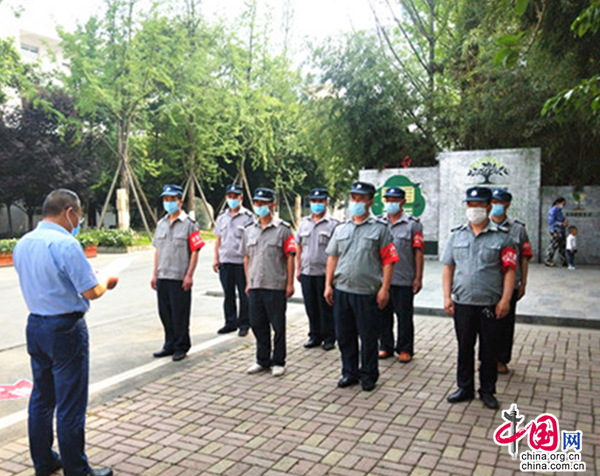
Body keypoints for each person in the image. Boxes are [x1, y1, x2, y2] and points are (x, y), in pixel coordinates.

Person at [13, 189, 117, 476]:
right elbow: (91, 291)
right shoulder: (66, 244)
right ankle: (77, 469)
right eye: (80, 215)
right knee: (70, 403)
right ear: (69, 212)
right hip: (65, 329)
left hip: (35, 325)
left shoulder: (23, 243)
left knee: (42, 399)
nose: (79, 221)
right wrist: (106, 280)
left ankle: (44, 461)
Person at [441, 186, 517, 410]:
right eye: (470, 205)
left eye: (479, 205)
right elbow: (448, 267)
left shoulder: (503, 238)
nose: (474, 209)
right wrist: (447, 296)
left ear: (489, 206)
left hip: (490, 304)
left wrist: (505, 299)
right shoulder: (457, 235)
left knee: (488, 349)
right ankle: (464, 387)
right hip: (463, 303)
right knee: (465, 346)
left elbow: (510, 270)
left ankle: (487, 390)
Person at [325, 181, 399, 392]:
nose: (356, 202)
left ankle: (368, 375)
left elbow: (388, 261)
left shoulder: (380, 229)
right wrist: (328, 285)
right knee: (344, 335)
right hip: (342, 291)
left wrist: (385, 289)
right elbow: (332, 258)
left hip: (367, 293)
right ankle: (349, 372)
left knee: (368, 336)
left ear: (370, 202)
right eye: (353, 198)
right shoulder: (341, 229)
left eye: (360, 198)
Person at [241, 188, 296, 377]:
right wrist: (248, 281)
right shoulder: (249, 230)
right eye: (257, 203)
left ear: (272, 205)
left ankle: (278, 361)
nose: (259, 207)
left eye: (263, 203)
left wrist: (289, 283)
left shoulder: (283, 229)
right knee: (258, 324)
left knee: (278, 326)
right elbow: (246, 257)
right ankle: (262, 360)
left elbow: (290, 256)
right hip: (255, 285)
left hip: (275, 285)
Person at [151, 184, 205, 362]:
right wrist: (154, 274)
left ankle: (181, 345)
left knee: (179, 314)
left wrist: (189, 275)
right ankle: (169, 344)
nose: (168, 203)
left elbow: (196, 250)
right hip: (163, 275)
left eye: (172, 200)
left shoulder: (189, 225)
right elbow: (157, 250)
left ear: (180, 201)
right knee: (164, 313)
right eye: (165, 200)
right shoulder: (161, 223)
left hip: (179, 277)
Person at [378, 187, 424, 363]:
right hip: (382, 280)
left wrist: (418, 277)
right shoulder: (379, 223)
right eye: (388, 199)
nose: (391, 203)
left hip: (404, 278)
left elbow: (418, 252)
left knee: (404, 316)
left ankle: (405, 348)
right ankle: (385, 346)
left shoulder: (413, 224)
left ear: (403, 202)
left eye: (394, 199)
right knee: (383, 314)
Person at [489, 188, 533, 375]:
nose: (494, 205)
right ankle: (486, 359)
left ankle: (501, 359)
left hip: (510, 285)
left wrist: (523, 283)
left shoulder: (518, 229)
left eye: (498, 201)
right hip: (488, 285)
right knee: (486, 325)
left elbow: (524, 257)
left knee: (505, 324)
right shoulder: (483, 225)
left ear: (507, 204)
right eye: (492, 201)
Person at [296, 188, 339, 351]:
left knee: (326, 307)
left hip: (325, 274)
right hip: (307, 272)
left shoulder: (334, 225)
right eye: (314, 201)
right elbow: (299, 246)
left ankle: (329, 337)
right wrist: (298, 268)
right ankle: (314, 335)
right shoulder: (303, 223)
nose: (317, 204)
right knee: (311, 306)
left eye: (320, 201)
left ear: (326, 202)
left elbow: (337, 252)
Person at [213, 184, 255, 336]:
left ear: (241, 198)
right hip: (226, 261)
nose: (232, 199)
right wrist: (216, 258)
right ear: (226, 198)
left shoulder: (248, 217)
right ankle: (230, 322)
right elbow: (218, 239)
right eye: (229, 196)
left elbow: (252, 240)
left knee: (244, 294)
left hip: (241, 262)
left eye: (235, 196)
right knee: (228, 294)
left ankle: (244, 323)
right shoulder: (222, 217)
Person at [544, 197, 568, 267]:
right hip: (555, 230)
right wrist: (561, 223)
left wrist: (565, 222)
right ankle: (547, 260)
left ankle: (563, 261)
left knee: (562, 246)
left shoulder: (559, 211)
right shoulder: (553, 210)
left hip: (561, 230)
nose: (563, 205)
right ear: (558, 203)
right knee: (553, 245)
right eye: (562, 203)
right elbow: (551, 222)